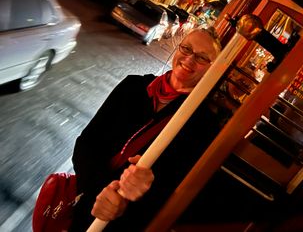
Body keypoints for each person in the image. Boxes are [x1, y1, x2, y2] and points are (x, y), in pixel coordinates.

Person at [70, 27, 222, 231]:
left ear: (212, 69)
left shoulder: (203, 125)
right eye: (186, 48)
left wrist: (147, 188)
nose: (189, 59)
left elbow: (179, 196)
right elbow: (86, 142)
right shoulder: (132, 86)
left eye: (202, 58)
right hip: (87, 204)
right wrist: (98, 190)